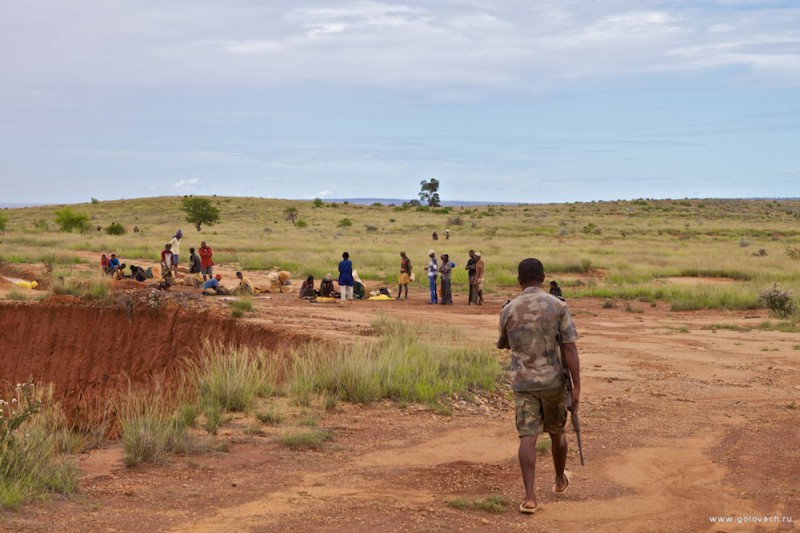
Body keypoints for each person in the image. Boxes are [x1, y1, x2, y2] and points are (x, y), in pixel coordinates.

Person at [496, 258, 581, 515]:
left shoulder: (509, 309)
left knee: (527, 436)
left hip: (524, 384)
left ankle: (530, 498)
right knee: (557, 432)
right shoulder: (558, 306)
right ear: (543, 278)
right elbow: (569, 347)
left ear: (519, 281)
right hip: (554, 382)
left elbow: (504, 343)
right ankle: (558, 480)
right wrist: (577, 386)